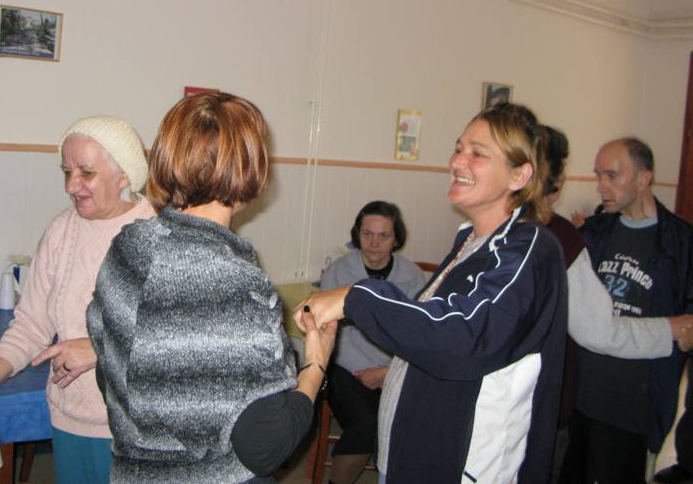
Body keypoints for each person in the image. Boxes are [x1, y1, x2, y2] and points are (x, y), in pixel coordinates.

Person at [296, 102, 567, 483]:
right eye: (458, 148)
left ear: (519, 175)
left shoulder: (529, 250)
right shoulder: (471, 241)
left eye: (477, 153)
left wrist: (354, 297)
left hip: (465, 466)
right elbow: (423, 328)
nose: (457, 161)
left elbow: (463, 336)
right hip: (417, 452)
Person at [88, 91, 336, 484]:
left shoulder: (127, 248)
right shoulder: (236, 284)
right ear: (251, 171)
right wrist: (316, 362)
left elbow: (109, 370)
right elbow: (265, 446)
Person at [0, 115, 155, 483]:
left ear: (124, 175)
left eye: (86, 173)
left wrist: (98, 347)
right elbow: (32, 324)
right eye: (66, 172)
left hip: (136, 426)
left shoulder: (156, 237)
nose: (71, 185)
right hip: (68, 415)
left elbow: (173, 336)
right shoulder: (62, 230)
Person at [560, 137, 693, 484]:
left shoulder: (681, 243)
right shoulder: (592, 234)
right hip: (582, 396)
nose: (601, 186)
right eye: (598, 175)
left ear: (644, 178)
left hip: (634, 405)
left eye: (612, 175)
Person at [319, 201, 424, 484]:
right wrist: (365, 371)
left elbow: (418, 333)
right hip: (345, 367)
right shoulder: (337, 272)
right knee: (367, 425)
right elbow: (329, 332)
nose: (374, 243)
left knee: (418, 420)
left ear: (396, 239)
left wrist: (387, 372)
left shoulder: (413, 275)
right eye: (367, 234)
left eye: (384, 235)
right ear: (357, 234)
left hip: (394, 367)